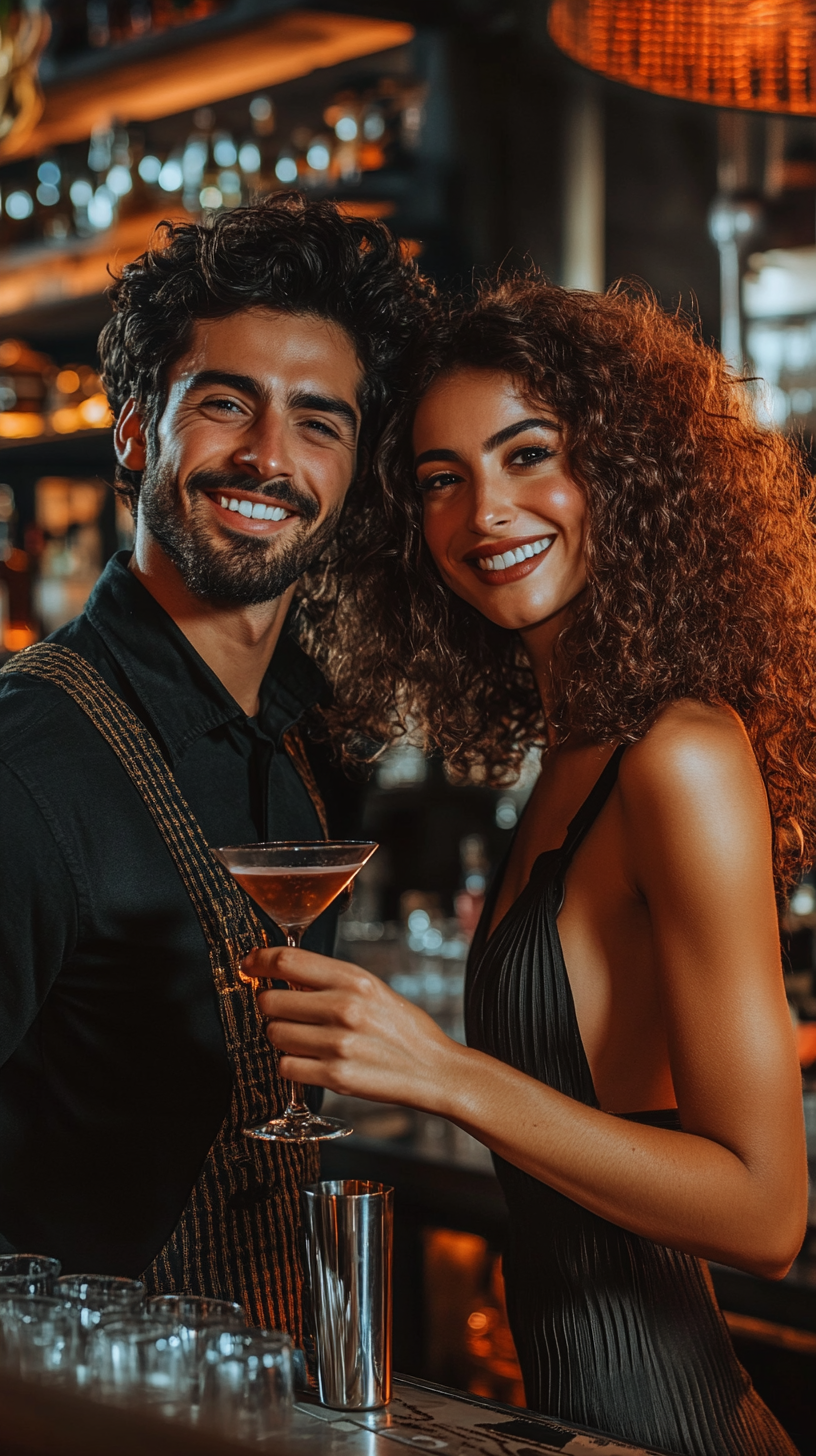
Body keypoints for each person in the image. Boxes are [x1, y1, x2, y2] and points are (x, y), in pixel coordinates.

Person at [247, 279, 813, 1453]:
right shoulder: (575, 748)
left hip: (674, 1427)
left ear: (627, 470)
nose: (484, 511)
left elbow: (766, 1210)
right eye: (443, 479)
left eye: (528, 454)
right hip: (577, 1427)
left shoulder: (681, 751)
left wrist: (444, 1073)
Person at [0, 193, 430, 1338]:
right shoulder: (28, 765)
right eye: (227, 402)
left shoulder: (293, 748)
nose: (269, 458)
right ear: (136, 428)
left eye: (319, 421)